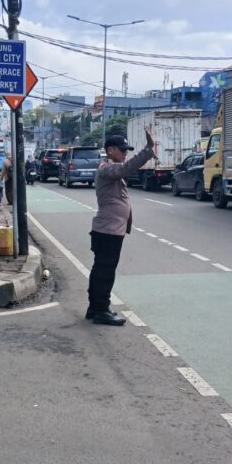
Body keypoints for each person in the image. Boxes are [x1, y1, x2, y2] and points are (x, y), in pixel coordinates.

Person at [86, 129, 155, 325]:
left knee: (101, 269)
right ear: (110, 150)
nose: (125, 153)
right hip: (108, 231)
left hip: (110, 230)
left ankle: (95, 307)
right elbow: (126, 168)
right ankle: (101, 310)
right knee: (105, 271)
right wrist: (148, 149)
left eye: (126, 150)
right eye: (122, 149)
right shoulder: (107, 169)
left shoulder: (110, 169)